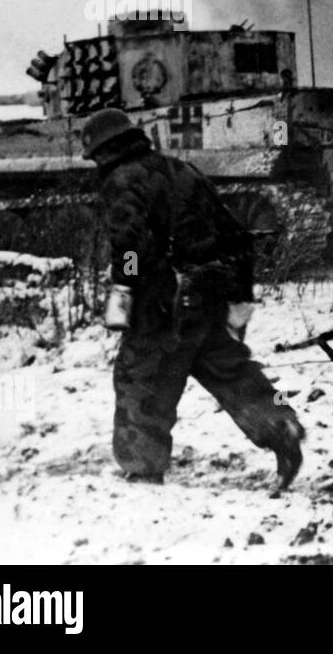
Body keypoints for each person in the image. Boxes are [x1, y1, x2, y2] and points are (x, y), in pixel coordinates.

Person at [80, 107, 304, 492]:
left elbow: (130, 247)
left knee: (141, 378)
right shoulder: (180, 168)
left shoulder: (121, 180)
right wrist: (235, 291)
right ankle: (278, 423)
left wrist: (124, 287)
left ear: (103, 150)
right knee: (227, 367)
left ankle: (142, 469)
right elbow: (230, 229)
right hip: (209, 288)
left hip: (163, 299)